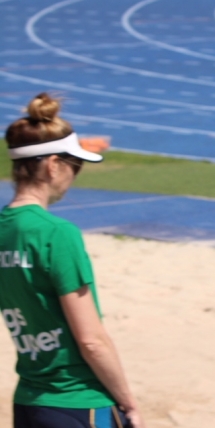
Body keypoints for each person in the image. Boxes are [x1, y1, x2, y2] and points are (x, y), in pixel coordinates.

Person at [0, 93, 146, 427]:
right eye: (74, 166)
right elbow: (91, 340)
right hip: (78, 400)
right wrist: (128, 402)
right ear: (53, 165)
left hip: (29, 400)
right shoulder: (57, 234)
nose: (74, 176)